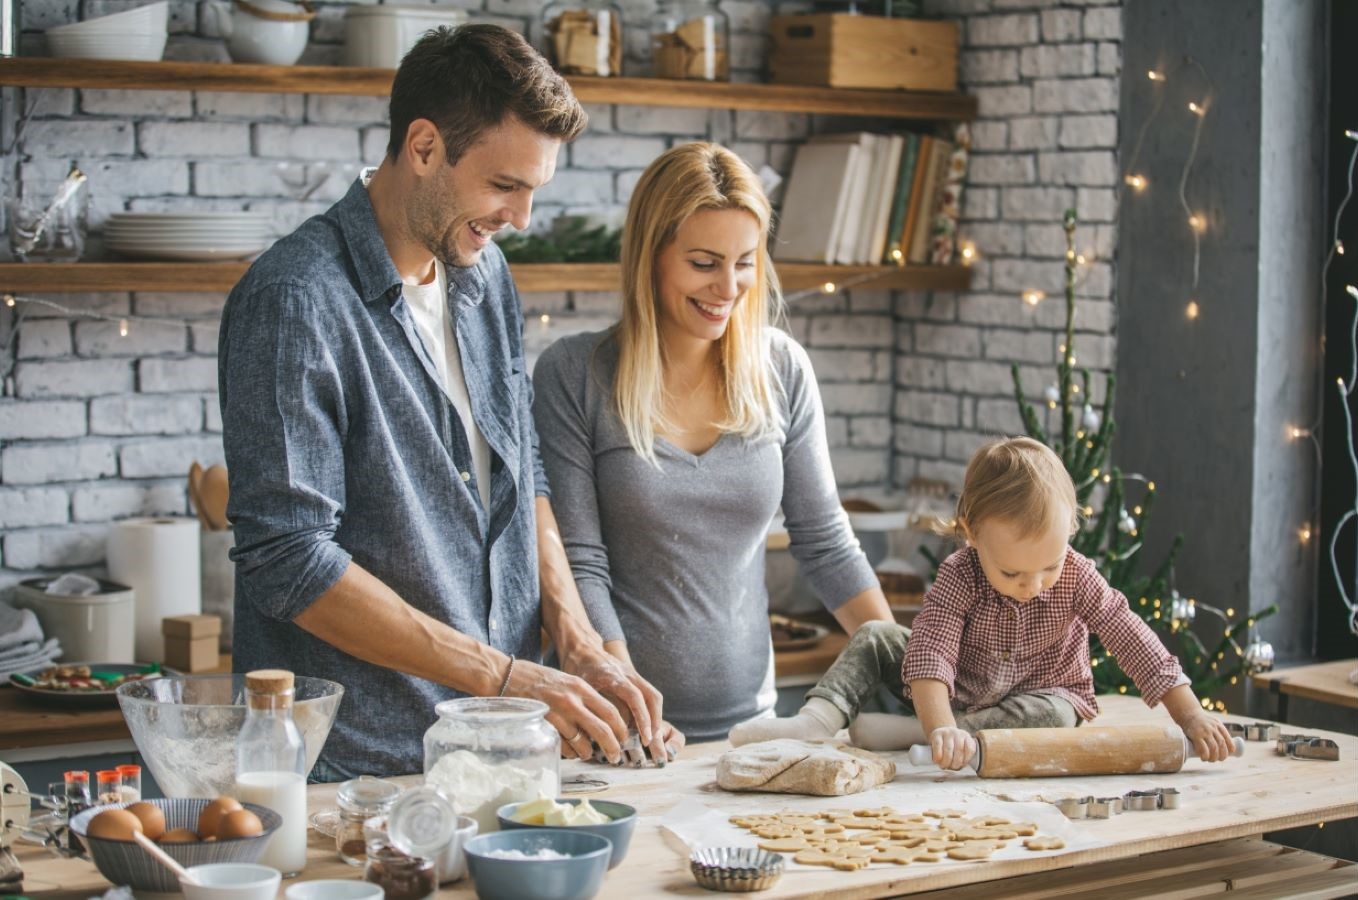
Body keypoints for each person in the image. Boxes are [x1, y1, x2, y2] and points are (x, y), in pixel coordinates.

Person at [218, 24, 672, 779]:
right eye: (505, 186)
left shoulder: (483, 276)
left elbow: (522, 475)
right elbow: (289, 561)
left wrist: (578, 639)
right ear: (423, 146)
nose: (521, 219)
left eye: (534, 190)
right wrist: (503, 676)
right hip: (358, 763)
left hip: (494, 752)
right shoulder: (295, 300)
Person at [531, 142, 895, 744]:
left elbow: (826, 545)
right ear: (652, 257)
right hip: (613, 727)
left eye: (745, 262)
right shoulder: (576, 373)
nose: (728, 287)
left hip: (753, 728)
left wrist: (906, 666)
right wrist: (626, 700)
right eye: (704, 262)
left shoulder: (782, 369)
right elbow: (580, 564)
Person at [730, 436, 1237, 769]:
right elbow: (930, 655)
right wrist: (942, 721)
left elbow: (1131, 636)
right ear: (971, 535)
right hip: (952, 696)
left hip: (1041, 695)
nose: (1033, 584)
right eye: (1012, 571)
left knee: (1055, 719)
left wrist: (1190, 715)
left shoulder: (1078, 576)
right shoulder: (959, 575)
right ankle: (818, 721)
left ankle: (913, 734)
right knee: (876, 636)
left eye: (1049, 566)